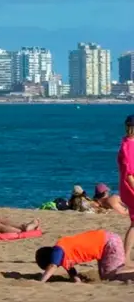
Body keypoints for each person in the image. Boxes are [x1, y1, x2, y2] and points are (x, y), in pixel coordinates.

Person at [35, 229, 134, 282]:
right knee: (104, 275)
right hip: (105, 240)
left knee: (110, 276)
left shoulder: (58, 250)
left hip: (108, 243)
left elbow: (52, 266)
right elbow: (72, 272)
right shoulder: (64, 254)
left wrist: (41, 282)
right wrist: (77, 281)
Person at [119, 114, 134, 262]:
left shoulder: (128, 143)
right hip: (130, 188)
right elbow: (129, 174)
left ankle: (126, 256)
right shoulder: (128, 145)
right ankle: (126, 257)